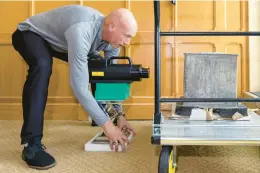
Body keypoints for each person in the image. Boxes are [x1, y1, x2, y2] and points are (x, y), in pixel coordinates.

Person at [11, 4, 137, 170]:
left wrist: (119, 115)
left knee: (100, 66)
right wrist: (108, 127)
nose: (127, 42)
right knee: (42, 65)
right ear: (112, 26)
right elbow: (79, 87)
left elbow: (110, 77)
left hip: (59, 41)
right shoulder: (82, 30)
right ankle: (31, 145)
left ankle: (103, 113)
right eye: (126, 35)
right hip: (29, 34)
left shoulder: (112, 42)